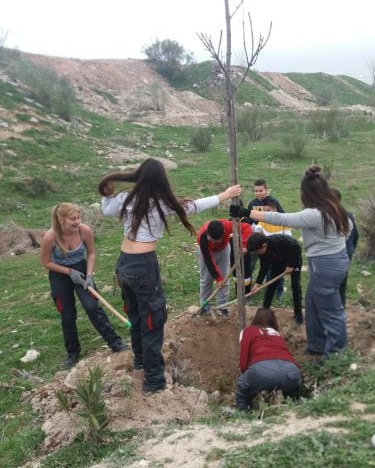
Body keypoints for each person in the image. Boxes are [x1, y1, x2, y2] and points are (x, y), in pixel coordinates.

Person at [99, 158, 241, 393]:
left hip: (123, 263)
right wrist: (224, 195)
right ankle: (154, 381)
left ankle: (141, 361)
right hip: (143, 266)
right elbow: (194, 206)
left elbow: (106, 209)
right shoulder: (161, 202)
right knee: (152, 320)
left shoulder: (126, 198)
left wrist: (107, 192)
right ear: (161, 180)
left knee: (135, 315)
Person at [230, 165, 351, 358]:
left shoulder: (315, 214)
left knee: (330, 310)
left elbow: (281, 218)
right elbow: (349, 228)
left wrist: (246, 212)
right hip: (333, 261)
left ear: (309, 194)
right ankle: (316, 346)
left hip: (325, 265)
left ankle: (336, 354)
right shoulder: (335, 209)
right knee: (311, 305)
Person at [40, 203, 127, 368]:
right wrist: (68, 272)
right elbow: (45, 262)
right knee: (67, 314)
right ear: (61, 220)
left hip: (82, 269)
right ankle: (73, 353)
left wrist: (88, 276)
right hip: (59, 275)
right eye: (73, 219)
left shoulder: (84, 230)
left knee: (92, 306)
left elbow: (92, 253)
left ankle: (116, 343)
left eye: (78, 218)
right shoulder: (50, 237)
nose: (77, 222)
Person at [236, 308, 302, 411]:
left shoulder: (248, 330)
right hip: (291, 371)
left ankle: (244, 416)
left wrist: (246, 374)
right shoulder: (277, 334)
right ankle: (295, 412)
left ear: (256, 318)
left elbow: (244, 358)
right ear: (273, 320)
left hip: (263, 370)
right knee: (293, 391)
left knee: (243, 388)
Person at [246, 232, 303, 324]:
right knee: (271, 285)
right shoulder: (262, 251)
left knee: (295, 286)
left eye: (257, 251)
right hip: (278, 262)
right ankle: (265, 309)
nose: (257, 253)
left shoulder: (280, 241)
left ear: (264, 245)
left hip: (293, 259)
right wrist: (257, 284)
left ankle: (298, 315)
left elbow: (295, 247)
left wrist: (290, 264)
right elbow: (264, 266)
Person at [197, 219, 252, 314]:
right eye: (211, 240)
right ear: (208, 234)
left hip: (223, 250)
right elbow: (208, 261)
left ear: (223, 233)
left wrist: (243, 246)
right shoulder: (202, 238)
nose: (213, 242)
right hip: (206, 253)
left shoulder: (228, 226)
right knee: (206, 280)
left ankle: (222, 307)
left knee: (224, 278)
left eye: (216, 240)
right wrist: (217, 278)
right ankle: (205, 307)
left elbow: (246, 227)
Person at [252, 196, 293, 302]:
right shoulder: (262, 222)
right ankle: (270, 290)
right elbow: (257, 231)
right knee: (269, 272)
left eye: (271, 211)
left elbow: (289, 240)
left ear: (276, 210)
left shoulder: (283, 223)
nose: (268, 214)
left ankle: (279, 292)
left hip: (281, 254)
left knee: (280, 274)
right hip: (268, 253)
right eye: (266, 211)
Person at [332, 188, 359, 308]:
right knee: (342, 282)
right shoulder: (348, 214)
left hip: (335, 255)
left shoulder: (329, 217)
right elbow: (356, 235)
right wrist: (352, 249)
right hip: (347, 253)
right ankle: (340, 307)